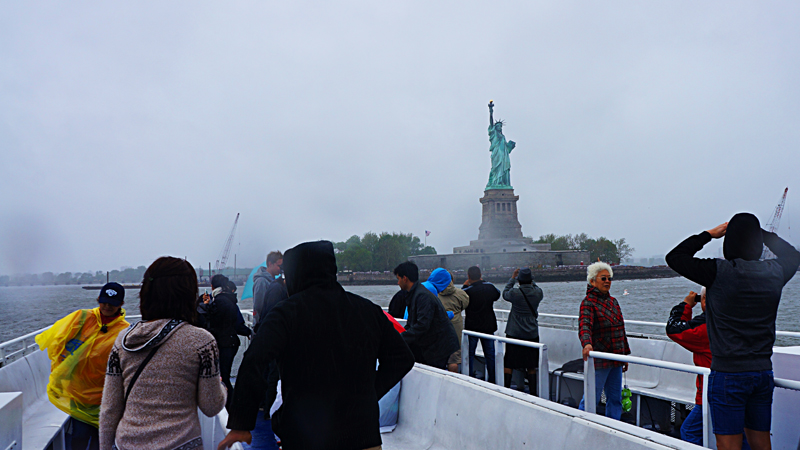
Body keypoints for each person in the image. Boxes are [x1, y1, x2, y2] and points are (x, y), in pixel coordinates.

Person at [218, 241, 415, 450]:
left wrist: (242, 422)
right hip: (362, 434)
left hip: (305, 435)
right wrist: (369, 393)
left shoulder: (285, 314)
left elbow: (253, 361)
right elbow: (402, 358)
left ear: (296, 274)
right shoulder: (367, 310)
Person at [665, 213, 800, 450]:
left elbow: (675, 257)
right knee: (760, 441)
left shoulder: (719, 271)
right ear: (757, 243)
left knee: (728, 445)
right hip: (761, 372)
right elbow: (793, 255)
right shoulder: (773, 272)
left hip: (728, 374)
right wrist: (762, 234)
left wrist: (708, 234)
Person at [99, 257, 227, 450]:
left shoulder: (123, 340)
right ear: (188, 294)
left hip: (127, 444)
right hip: (181, 444)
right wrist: (221, 387)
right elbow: (211, 406)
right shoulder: (201, 341)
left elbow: (110, 409)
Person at [35, 282, 130, 450]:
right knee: (79, 436)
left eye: (112, 303)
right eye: (104, 302)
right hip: (78, 392)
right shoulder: (82, 317)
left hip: (104, 394)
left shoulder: (125, 331)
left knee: (102, 437)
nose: (107, 306)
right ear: (98, 299)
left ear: (121, 304)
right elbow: (57, 342)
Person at [578, 262, 630, 420]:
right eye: (603, 278)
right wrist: (587, 344)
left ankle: (614, 428)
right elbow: (584, 326)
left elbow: (620, 329)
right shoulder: (588, 302)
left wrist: (625, 355)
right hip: (599, 359)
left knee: (615, 399)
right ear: (592, 281)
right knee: (590, 398)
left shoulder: (613, 302)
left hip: (615, 359)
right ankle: (582, 424)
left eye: (609, 278)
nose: (607, 281)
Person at [394, 261, 459, 370]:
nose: (398, 283)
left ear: (405, 278)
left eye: (398, 279)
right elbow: (411, 323)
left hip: (440, 345)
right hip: (432, 342)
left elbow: (422, 325)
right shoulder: (415, 293)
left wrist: (400, 338)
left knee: (435, 372)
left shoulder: (422, 296)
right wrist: (400, 336)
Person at [199, 274, 252, 409]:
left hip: (222, 343)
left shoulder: (214, 302)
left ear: (212, 286)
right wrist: (249, 332)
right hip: (231, 343)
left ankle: (230, 405)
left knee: (221, 378)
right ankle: (232, 404)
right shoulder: (230, 301)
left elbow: (208, 323)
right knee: (225, 376)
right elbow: (237, 324)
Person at [502, 268, 543, 394]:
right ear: (531, 279)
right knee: (531, 364)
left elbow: (505, 293)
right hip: (531, 333)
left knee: (509, 362)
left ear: (519, 280)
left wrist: (512, 278)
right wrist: (531, 279)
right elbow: (535, 287)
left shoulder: (515, 293)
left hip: (514, 332)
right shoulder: (538, 293)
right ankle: (533, 392)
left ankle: (506, 388)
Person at [426, 269, 470, 372]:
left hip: (438, 329)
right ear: (452, 280)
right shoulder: (460, 293)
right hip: (455, 328)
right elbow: (465, 304)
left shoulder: (433, 292)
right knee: (453, 359)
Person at [463, 266, 501, 383]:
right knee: (490, 355)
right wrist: (483, 282)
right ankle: (492, 379)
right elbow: (498, 294)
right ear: (480, 275)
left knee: (469, 355)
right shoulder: (490, 288)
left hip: (472, 327)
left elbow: (460, 298)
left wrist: (465, 285)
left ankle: (468, 377)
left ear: (469, 277)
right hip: (488, 326)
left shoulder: (467, 291)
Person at [252, 251, 283, 328]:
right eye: (279, 266)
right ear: (270, 264)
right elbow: (259, 307)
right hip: (264, 325)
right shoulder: (261, 282)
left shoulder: (272, 281)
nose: (281, 269)